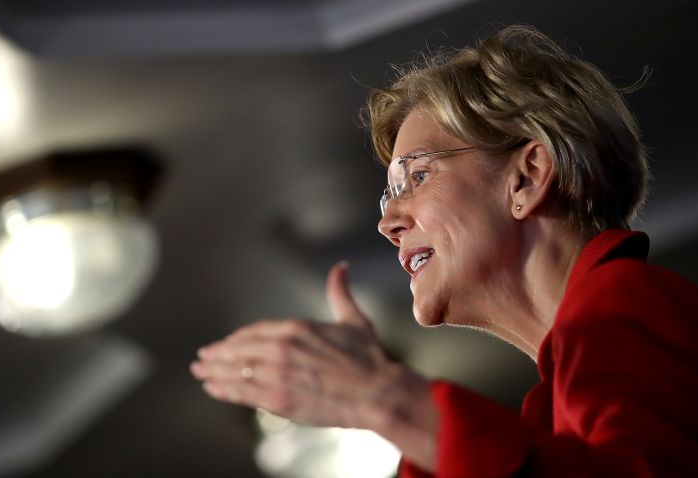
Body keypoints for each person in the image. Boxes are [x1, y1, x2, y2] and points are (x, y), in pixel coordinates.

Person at [190, 25, 698, 477]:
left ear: (526, 178)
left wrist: (385, 401)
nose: (388, 222)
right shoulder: (550, 403)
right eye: (391, 191)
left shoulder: (625, 299)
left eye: (419, 176)